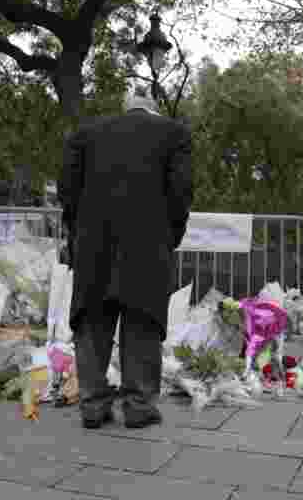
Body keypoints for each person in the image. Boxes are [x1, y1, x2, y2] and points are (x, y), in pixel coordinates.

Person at [59, 93, 193, 429]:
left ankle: (92, 403)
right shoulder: (173, 134)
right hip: (147, 245)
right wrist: (171, 235)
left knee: (92, 321)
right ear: (152, 110)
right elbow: (181, 192)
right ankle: (138, 405)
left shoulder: (85, 134)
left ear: (126, 108)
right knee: (142, 322)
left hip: (94, 245)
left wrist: (77, 233)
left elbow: (67, 191)